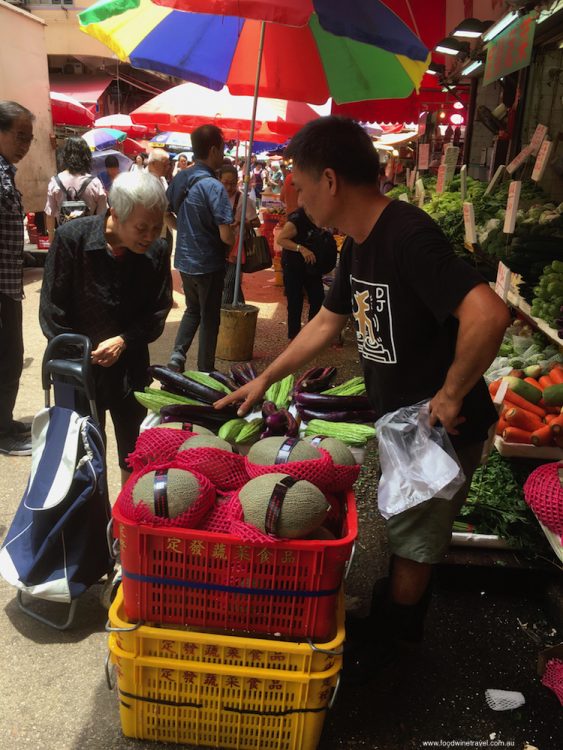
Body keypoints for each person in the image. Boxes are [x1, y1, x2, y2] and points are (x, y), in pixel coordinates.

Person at [215, 116, 510, 682]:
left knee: (416, 540)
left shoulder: (407, 235)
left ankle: (399, 648)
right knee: (405, 526)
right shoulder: (359, 246)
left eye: (298, 184)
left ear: (329, 180)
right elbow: (327, 323)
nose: (294, 197)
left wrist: (450, 396)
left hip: (438, 430)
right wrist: (263, 377)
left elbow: (488, 312)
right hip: (404, 422)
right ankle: (396, 610)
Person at [39, 172, 172, 485]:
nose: (150, 235)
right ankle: (92, 527)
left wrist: (125, 341)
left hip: (130, 368)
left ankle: (125, 526)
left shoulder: (157, 250)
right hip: (78, 371)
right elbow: (52, 312)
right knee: (84, 457)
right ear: (114, 212)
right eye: (142, 227)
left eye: (156, 227)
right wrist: (83, 354)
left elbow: (157, 311)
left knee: (135, 452)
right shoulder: (73, 239)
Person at [166, 124, 234, 372]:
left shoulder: (181, 177)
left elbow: (165, 213)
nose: (223, 154)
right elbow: (226, 236)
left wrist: (183, 231)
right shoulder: (214, 187)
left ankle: (177, 356)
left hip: (185, 261)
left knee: (193, 310)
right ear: (214, 149)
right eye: (223, 149)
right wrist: (235, 232)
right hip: (209, 264)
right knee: (209, 318)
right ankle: (205, 370)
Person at [0, 100, 35, 456]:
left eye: (30, 138)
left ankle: (5, 422)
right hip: (0, 288)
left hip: (7, 284)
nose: (25, 145)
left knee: (9, 355)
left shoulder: (5, 171)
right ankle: (2, 433)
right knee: (8, 357)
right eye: (20, 136)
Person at [276, 207, 335, 339]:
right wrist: (301, 248)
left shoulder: (320, 215)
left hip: (312, 266)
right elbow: (281, 240)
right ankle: (294, 335)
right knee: (295, 301)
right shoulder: (297, 219)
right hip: (293, 265)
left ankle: (311, 334)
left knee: (317, 298)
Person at [44, 137, 107, 243]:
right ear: (87, 157)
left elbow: (50, 215)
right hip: (87, 241)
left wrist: (51, 239)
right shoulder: (95, 183)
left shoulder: (55, 181)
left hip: (63, 241)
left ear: (65, 156)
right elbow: (102, 216)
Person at [219, 164, 260, 305]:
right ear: (219, 180)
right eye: (225, 183)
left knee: (229, 283)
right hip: (219, 245)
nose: (229, 188)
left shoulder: (243, 200)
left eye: (232, 184)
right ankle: (241, 309)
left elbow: (256, 222)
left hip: (237, 248)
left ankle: (221, 318)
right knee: (231, 282)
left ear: (237, 182)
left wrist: (240, 223)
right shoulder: (215, 197)